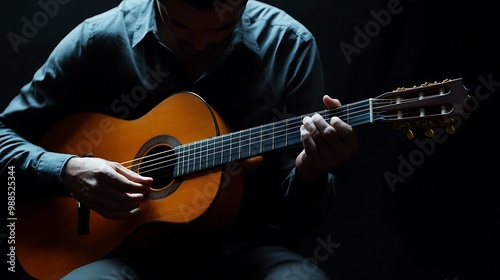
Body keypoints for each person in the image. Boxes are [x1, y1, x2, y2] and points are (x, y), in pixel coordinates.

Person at [0, 0, 358, 279]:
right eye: (180, 28)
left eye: (222, 28)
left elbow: (299, 221)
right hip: (118, 255)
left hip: (243, 252)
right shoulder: (99, 38)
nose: (201, 42)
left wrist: (311, 174)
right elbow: (4, 136)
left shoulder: (289, 46)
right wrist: (67, 169)